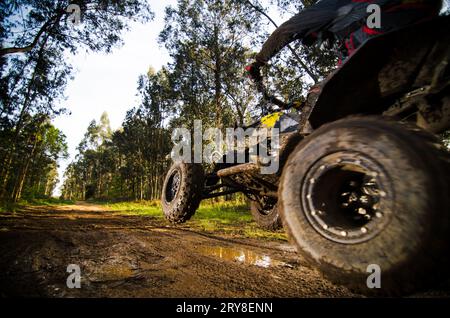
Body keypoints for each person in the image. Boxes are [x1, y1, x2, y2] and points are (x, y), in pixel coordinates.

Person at [245, 0, 443, 83]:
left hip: (388, 22)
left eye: (312, 38)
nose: (318, 42)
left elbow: (286, 31)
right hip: (421, 22)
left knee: (322, 94)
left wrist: (258, 61)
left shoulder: (327, 7)